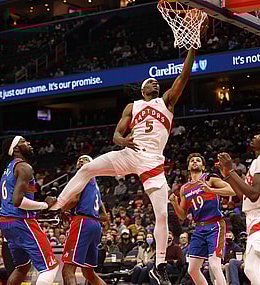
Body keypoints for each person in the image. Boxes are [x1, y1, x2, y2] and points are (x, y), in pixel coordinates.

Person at [50, 47, 198, 285]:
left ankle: (159, 266)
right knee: (87, 168)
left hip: (153, 161)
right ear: (143, 89)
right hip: (131, 153)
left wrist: (192, 50)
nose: (156, 85)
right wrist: (123, 140)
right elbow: (116, 135)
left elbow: (184, 76)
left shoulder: (167, 101)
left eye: (157, 83)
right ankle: (57, 205)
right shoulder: (133, 106)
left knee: (162, 215)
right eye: (151, 83)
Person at [0, 136, 59, 285]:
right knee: (50, 268)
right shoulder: (24, 167)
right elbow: (18, 201)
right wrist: (44, 205)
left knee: (22, 267)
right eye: (24, 142)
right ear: (16, 149)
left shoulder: (8, 168)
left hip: (7, 223)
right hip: (21, 221)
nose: (29, 143)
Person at [217, 128, 260, 285]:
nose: (254, 136)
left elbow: (254, 194)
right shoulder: (256, 162)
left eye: (259, 135)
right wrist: (227, 174)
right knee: (258, 274)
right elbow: (243, 195)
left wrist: (232, 171)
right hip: (254, 216)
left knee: (250, 269)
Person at [169, 153, 235, 285]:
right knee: (192, 269)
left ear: (203, 166)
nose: (194, 162)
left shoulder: (209, 179)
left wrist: (211, 190)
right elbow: (182, 216)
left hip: (215, 225)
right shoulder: (184, 189)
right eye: (192, 161)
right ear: (188, 167)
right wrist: (174, 203)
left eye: (198, 160)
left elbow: (232, 190)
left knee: (214, 264)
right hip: (199, 228)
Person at [61, 155, 109, 285]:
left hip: (83, 222)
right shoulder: (96, 186)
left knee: (67, 270)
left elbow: (75, 199)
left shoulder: (82, 176)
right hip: (95, 226)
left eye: (85, 160)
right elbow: (104, 216)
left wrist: (60, 208)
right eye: (79, 160)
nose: (81, 161)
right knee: (89, 273)